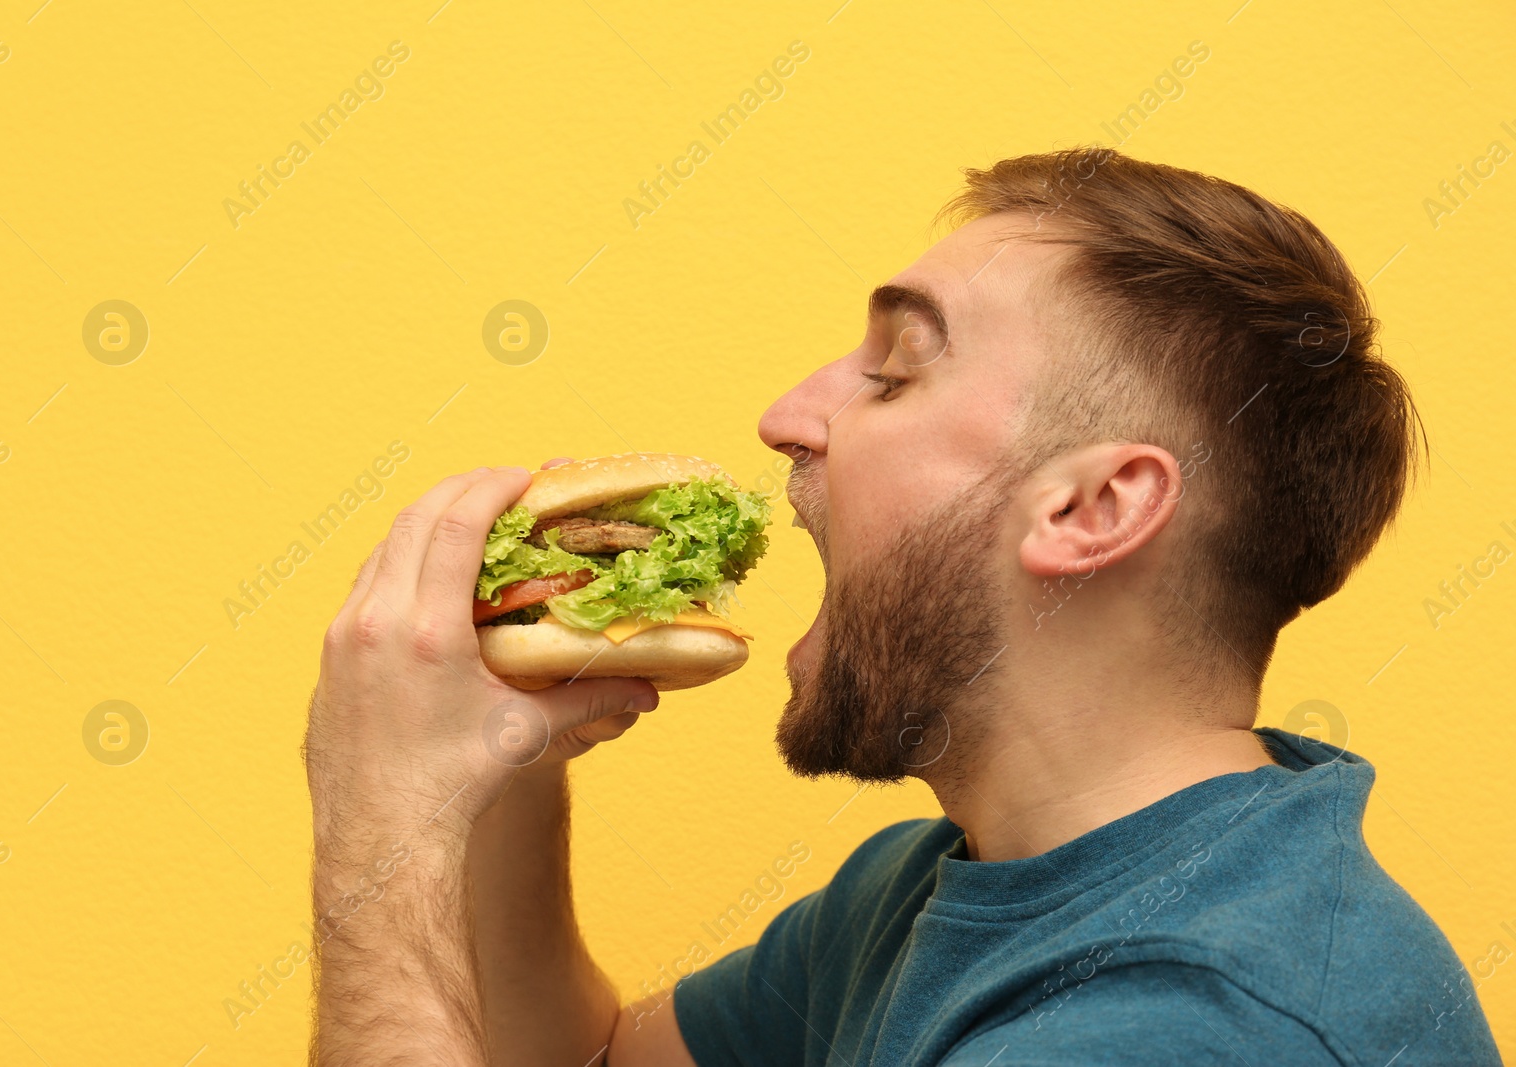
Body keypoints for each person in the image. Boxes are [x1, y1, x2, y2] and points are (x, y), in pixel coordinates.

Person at [301, 148, 1502, 1065]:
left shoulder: (1189, 1020)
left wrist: (377, 832)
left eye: (892, 373)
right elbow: (586, 1057)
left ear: (1091, 507)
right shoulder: (934, 888)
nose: (785, 414)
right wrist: (501, 759)